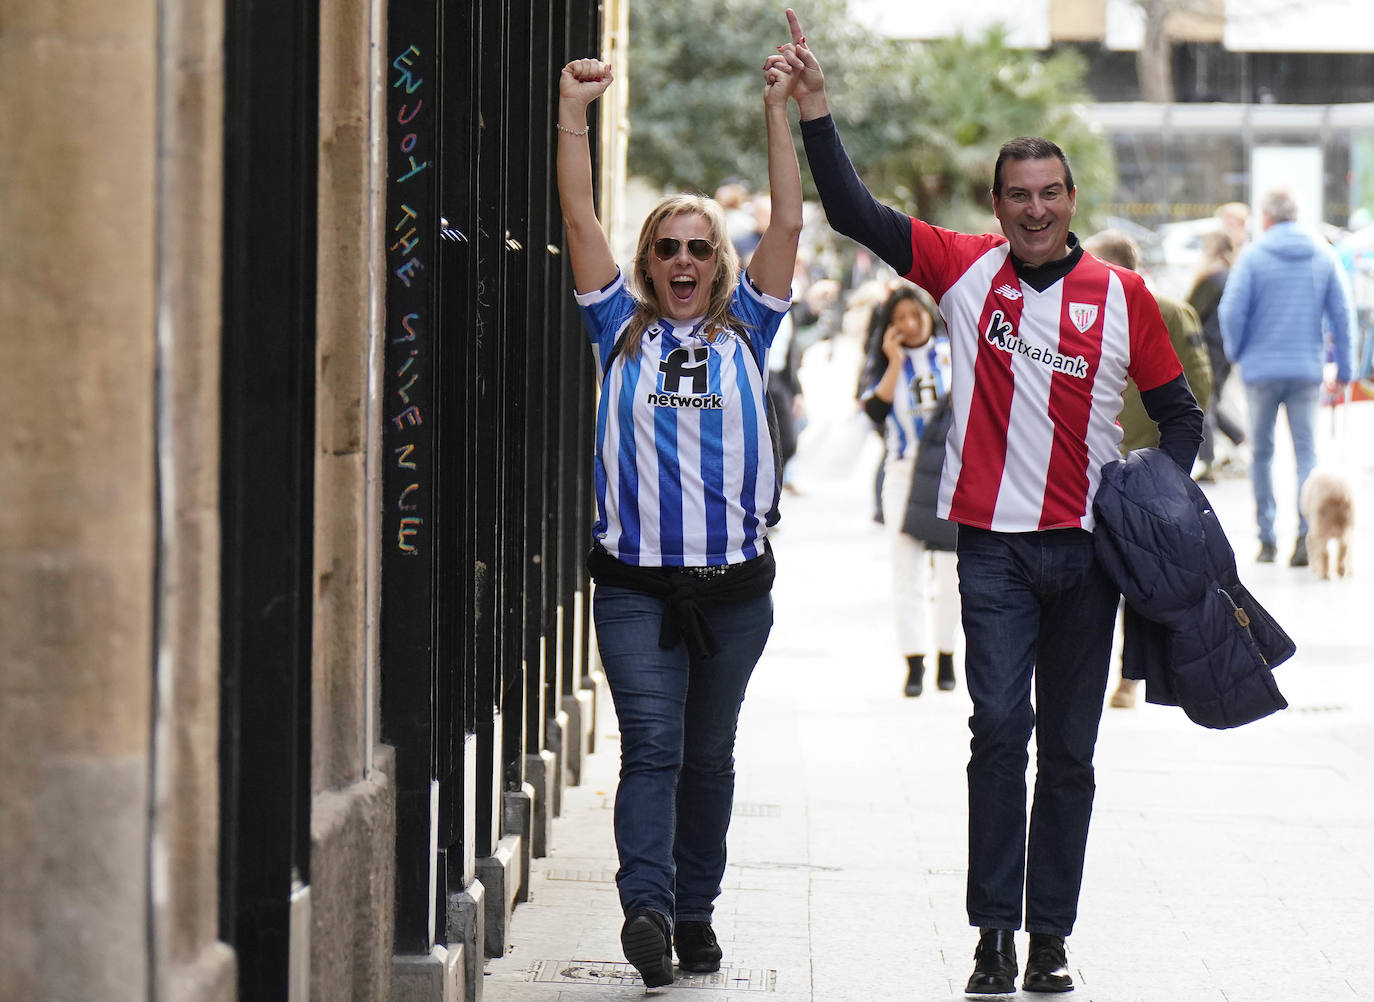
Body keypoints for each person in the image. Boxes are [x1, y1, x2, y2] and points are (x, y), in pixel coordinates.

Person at [774, 11, 1202, 995]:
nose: (1036, 209)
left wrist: (1153, 494)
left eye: (1051, 194)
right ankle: (992, 934)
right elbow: (850, 211)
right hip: (994, 553)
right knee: (998, 733)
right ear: (997, 204)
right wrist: (818, 109)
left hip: (1089, 557)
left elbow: (1181, 417)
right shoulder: (961, 267)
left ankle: (1050, 937)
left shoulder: (1122, 297)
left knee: (1072, 753)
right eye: (1019, 195)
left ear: (1072, 198)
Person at [555, 49, 802, 987]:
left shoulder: (753, 330)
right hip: (632, 589)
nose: (685, 260)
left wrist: (777, 109)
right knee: (653, 746)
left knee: (709, 759)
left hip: (734, 595)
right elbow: (579, 214)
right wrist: (572, 115)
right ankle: (648, 911)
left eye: (700, 247)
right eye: (670, 247)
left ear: (718, 262)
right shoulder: (615, 323)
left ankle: (695, 912)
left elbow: (788, 217)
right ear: (649, 262)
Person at [1082, 230, 1212, 710]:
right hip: (1105, 465)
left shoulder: (1170, 311)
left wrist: (1171, 465)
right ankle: (1116, 677)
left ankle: (1131, 677)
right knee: (1118, 572)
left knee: (1141, 573)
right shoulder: (1082, 310)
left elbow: (1196, 387)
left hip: (1146, 467)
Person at [1217, 187, 1355, 567]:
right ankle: (1306, 535)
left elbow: (1231, 310)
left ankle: (1267, 539)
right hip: (1306, 370)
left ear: (1266, 218)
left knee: (1262, 453)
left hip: (1261, 370)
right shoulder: (1321, 253)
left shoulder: (1253, 257)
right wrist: (1345, 370)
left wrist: (1238, 352)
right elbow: (1343, 315)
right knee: (1306, 453)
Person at [858, 283, 960, 697]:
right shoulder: (884, 365)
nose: (910, 323)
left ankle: (946, 656)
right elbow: (875, 410)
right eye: (900, 319)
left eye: (916, 315)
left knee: (954, 573)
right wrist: (895, 362)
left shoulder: (953, 353)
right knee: (906, 570)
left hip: (950, 475)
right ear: (890, 327)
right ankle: (914, 662)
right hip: (902, 473)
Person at [1187, 230, 1247, 483]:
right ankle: (1240, 439)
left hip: (1208, 347)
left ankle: (1207, 461)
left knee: (1203, 402)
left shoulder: (1212, 276)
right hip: (1228, 348)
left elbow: (1189, 312)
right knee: (1212, 401)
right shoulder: (1234, 275)